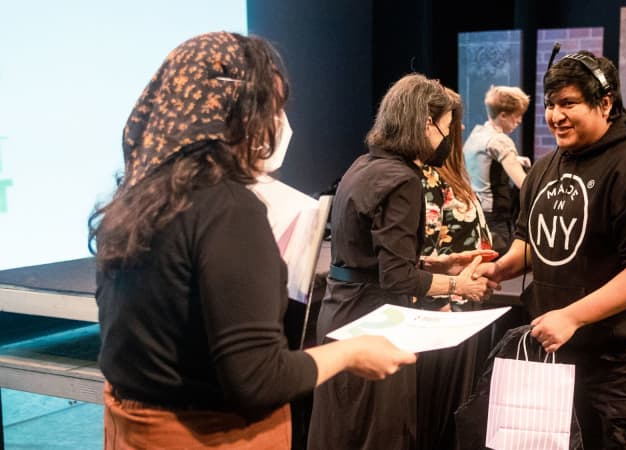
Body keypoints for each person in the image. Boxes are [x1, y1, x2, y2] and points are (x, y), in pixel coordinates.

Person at [89, 31, 416, 450]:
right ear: (236, 111)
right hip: (209, 437)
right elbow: (257, 379)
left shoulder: (134, 201)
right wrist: (351, 352)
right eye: (272, 107)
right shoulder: (228, 209)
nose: (278, 123)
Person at [475, 50, 626, 449]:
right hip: (563, 357)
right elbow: (532, 238)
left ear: (605, 103)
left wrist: (572, 316)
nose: (556, 115)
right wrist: (501, 269)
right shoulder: (545, 168)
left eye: (568, 103)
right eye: (550, 105)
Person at [307, 74, 495, 450]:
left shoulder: (363, 165)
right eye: (445, 127)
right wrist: (460, 285)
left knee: (342, 430)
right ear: (426, 124)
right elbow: (396, 277)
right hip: (375, 321)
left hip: (341, 312)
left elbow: (371, 257)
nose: (447, 137)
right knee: (379, 434)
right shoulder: (403, 179)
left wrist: (435, 266)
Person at [416, 87, 496, 450]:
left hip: (463, 315)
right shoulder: (426, 181)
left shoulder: (452, 178)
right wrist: (442, 300)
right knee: (435, 417)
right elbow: (421, 256)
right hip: (443, 317)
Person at [463, 85, 531, 254]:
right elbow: (523, 183)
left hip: (476, 210)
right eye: (517, 115)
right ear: (503, 115)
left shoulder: (477, 134)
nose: (520, 120)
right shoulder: (500, 142)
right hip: (494, 217)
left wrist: (515, 159)